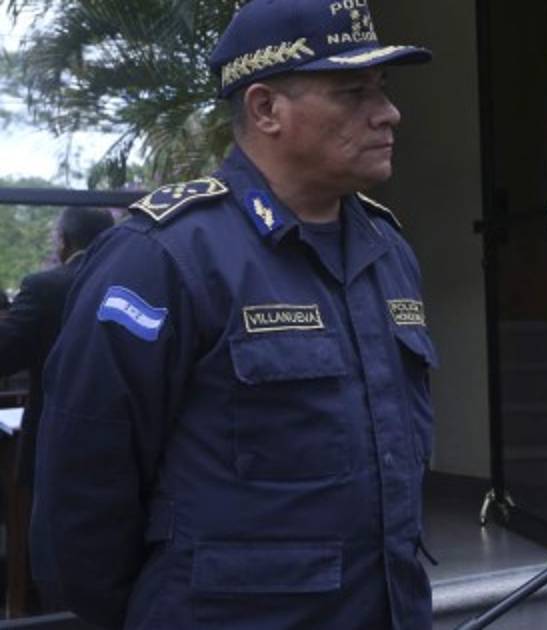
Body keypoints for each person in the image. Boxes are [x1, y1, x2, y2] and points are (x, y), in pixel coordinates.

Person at [32, 2, 437, 628]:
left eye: (381, 88)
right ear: (266, 108)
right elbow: (81, 495)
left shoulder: (387, 251)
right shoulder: (164, 257)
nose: (388, 112)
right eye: (353, 92)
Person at [0, 207, 113, 613]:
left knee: (49, 558)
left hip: (54, 447)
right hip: (126, 449)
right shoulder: (136, 282)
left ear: (64, 243)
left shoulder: (45, 287)